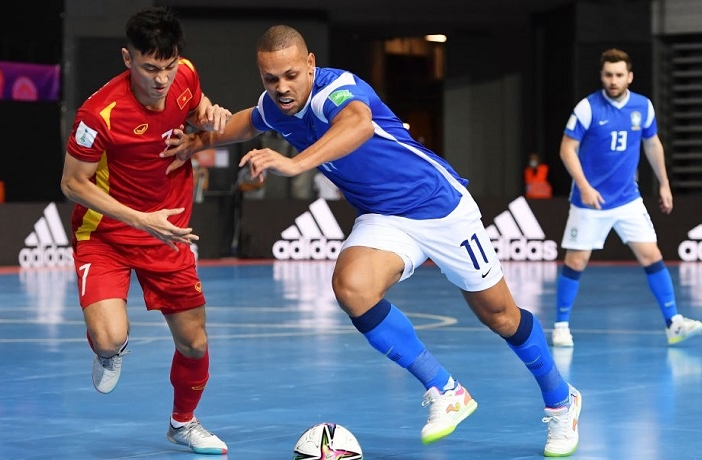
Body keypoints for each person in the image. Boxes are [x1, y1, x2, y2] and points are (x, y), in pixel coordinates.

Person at [165, 25, 581, 457]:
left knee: (501, 316)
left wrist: (294, 164)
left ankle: (561, 399)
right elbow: (244, 123)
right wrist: (197, 142)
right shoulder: (276, 106)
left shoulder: (337, 90)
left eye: (290, 75)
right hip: (384, 217)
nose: (282, 87)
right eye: (271, 79)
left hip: (438, 205)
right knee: (352, 287)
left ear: (310, 65)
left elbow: (358, 125)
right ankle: (445, 389)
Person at [59, 7, 230, 455]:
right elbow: (72, 184)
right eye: (150, 68)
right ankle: (107, 350)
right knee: (110, 336)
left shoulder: (186, 77)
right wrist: (138, 219)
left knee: (194, 342)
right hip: (106, 236)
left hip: (168, 233)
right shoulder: (97, 114)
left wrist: (203, 127)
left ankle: (183, 423)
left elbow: (195, 112)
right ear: (126, 58)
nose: (161, 79)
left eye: (168, 67)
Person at [552, 48, 702, 348]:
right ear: (602, 76)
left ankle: (673, 323)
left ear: (629, 76)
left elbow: (652, 144)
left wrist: (664, 183)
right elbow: (566, 149)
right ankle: (560, 325)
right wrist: (583, 185)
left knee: (652, 255)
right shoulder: (587, 108)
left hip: (628, 199)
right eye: (608, 74)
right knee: (576, 260)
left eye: (619, 75)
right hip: (590, 200)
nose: (613, 80)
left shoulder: (643, 107)